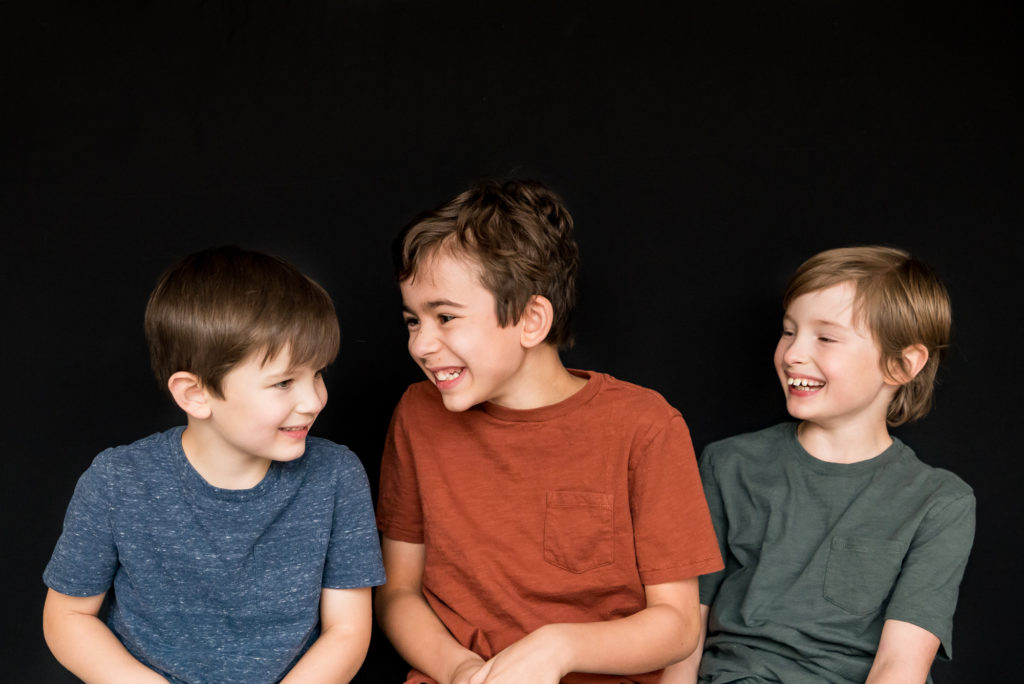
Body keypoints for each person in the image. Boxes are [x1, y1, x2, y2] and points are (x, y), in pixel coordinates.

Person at [374, 179, 724, 684]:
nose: (422, 345)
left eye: (445, 317)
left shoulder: (644, 426)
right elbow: (398, 593)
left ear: (531, 319)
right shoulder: (416, 414)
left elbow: (677, 626)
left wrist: (558, 648)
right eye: (412, 321)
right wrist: (462, 671)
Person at [42, 246, 385, 683]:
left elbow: (348, 629)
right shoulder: (116, 482)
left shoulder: (337, 476)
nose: (315, 400)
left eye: (318, 374)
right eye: (284, 382)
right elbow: (67, 616)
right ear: (195, 394)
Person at [667, 246, 975, 684]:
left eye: (825, 338)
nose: (793, 354)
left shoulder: (940, 502)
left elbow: (900, 666)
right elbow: (683, 633)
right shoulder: (729, 465)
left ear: (902, 364)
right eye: (788, 331)